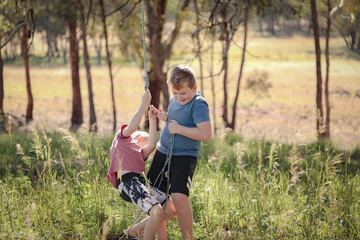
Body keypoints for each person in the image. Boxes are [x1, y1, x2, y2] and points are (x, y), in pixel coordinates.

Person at [147, 65, 212, 240]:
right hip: (163, 150)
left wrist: (179, 129)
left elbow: (206, 134)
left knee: (178, 196)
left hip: (185, 154)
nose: (178, 98)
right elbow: (175, 120)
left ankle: (187, 237)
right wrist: (164, 117)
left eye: (183, 94)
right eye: (175, 94)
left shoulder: (198, 104)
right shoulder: (177, 98)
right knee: (158, 198)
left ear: (194, 88)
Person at [107, 89, 176, 240]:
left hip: (139, 182)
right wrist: (144, 103)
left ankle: (133, 232)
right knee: (156, 211)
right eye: (142, 137)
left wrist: (152, 120)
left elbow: (151, 145)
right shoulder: (122, 139)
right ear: (135, 137)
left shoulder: (138, 153)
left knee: (169, 210)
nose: (144, 140)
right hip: (127, 182)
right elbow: (131, 127)